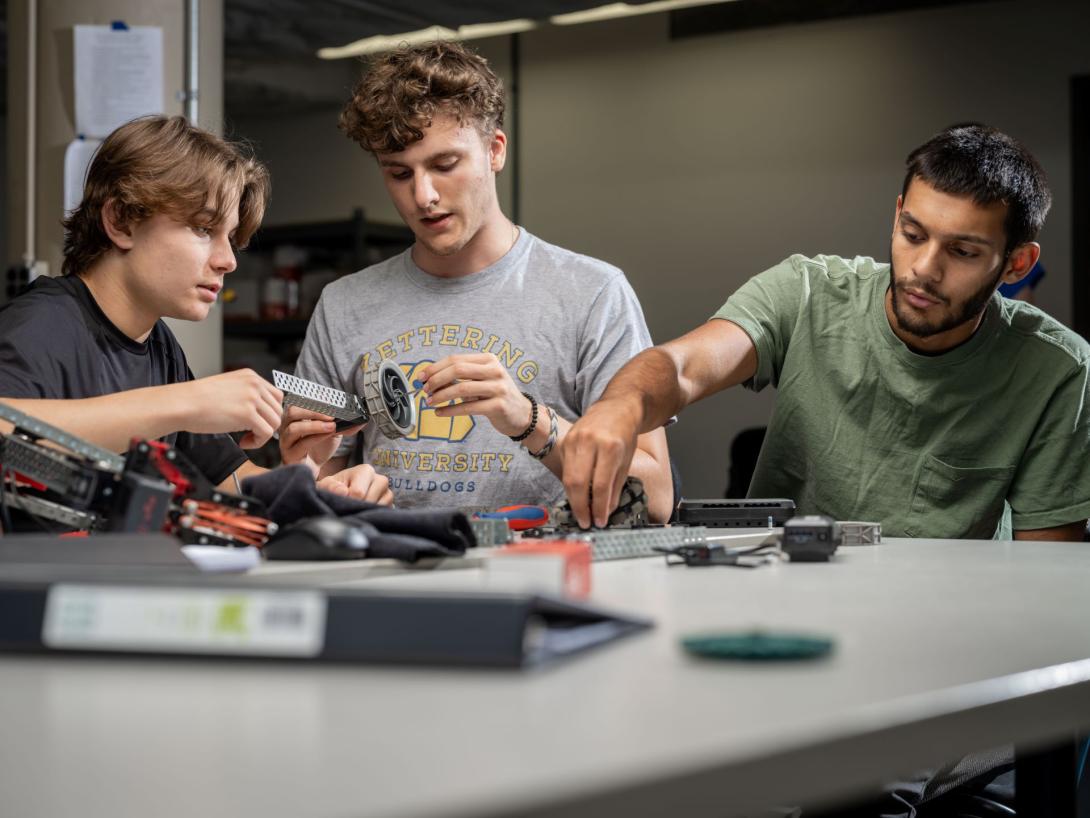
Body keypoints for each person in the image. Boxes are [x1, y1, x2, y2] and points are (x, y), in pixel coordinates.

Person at [562, 122, 1089, 541]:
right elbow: (681, 367)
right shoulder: (807, 291)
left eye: (963, 252)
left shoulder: (1057, 370)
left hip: (948, 631)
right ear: (897, 215)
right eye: (913, 234)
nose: (924, 268)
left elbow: (1042, 576)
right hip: (785, 610)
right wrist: (621, 406)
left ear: (1017, 263)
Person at [280, 41, 672, 519]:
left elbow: (657, 498)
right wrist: (313, 476)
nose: (423, 196)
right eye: (399, 173)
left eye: (445, 165)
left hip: (542, 577)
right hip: (390, 576)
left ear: (495, 151)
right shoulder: (343, 304)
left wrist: (528, 420)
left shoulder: (593, 294)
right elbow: (309, 490)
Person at [0, 115, 387, 504]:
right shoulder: (41, 324)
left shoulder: (158, 345)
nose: (228, 260)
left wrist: (307, 478)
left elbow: (232, 484)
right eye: (203, 229)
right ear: (121, 222)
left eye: (231, 238)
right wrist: (185, 403)